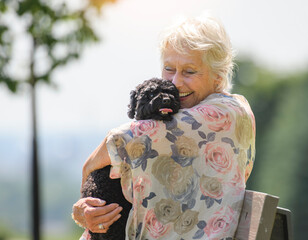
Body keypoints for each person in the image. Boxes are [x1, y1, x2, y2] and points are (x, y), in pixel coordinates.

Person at [72, 14, 256, 239]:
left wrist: (87, 169)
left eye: (189, 71)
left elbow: (124, 139)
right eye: (169, 69)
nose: (176, 82)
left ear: (218, 77)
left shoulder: (227, 112)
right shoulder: (183, 114)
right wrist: (87, 208)